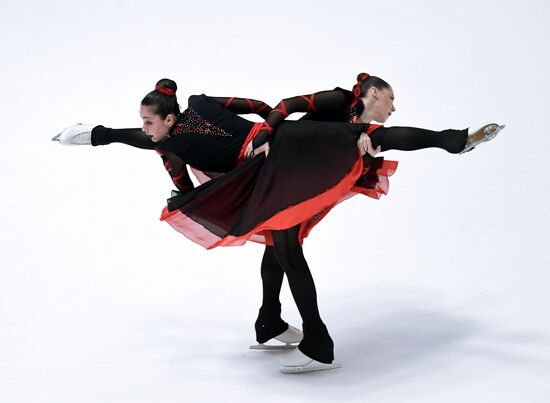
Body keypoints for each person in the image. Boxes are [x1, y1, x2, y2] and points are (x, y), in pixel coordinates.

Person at [54, 76, 504, 373]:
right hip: (270, 169)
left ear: (169, 118)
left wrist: (264, 131)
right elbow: (147, 147)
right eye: (144, 124)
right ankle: (273, 323)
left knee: (295, 236)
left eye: (150, 122)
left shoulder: (197, 113)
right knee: (281, 247)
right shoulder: (170, 137)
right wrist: (93, 135)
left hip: (286, 154)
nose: (146, 129)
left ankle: (455, 141)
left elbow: (265, 106)